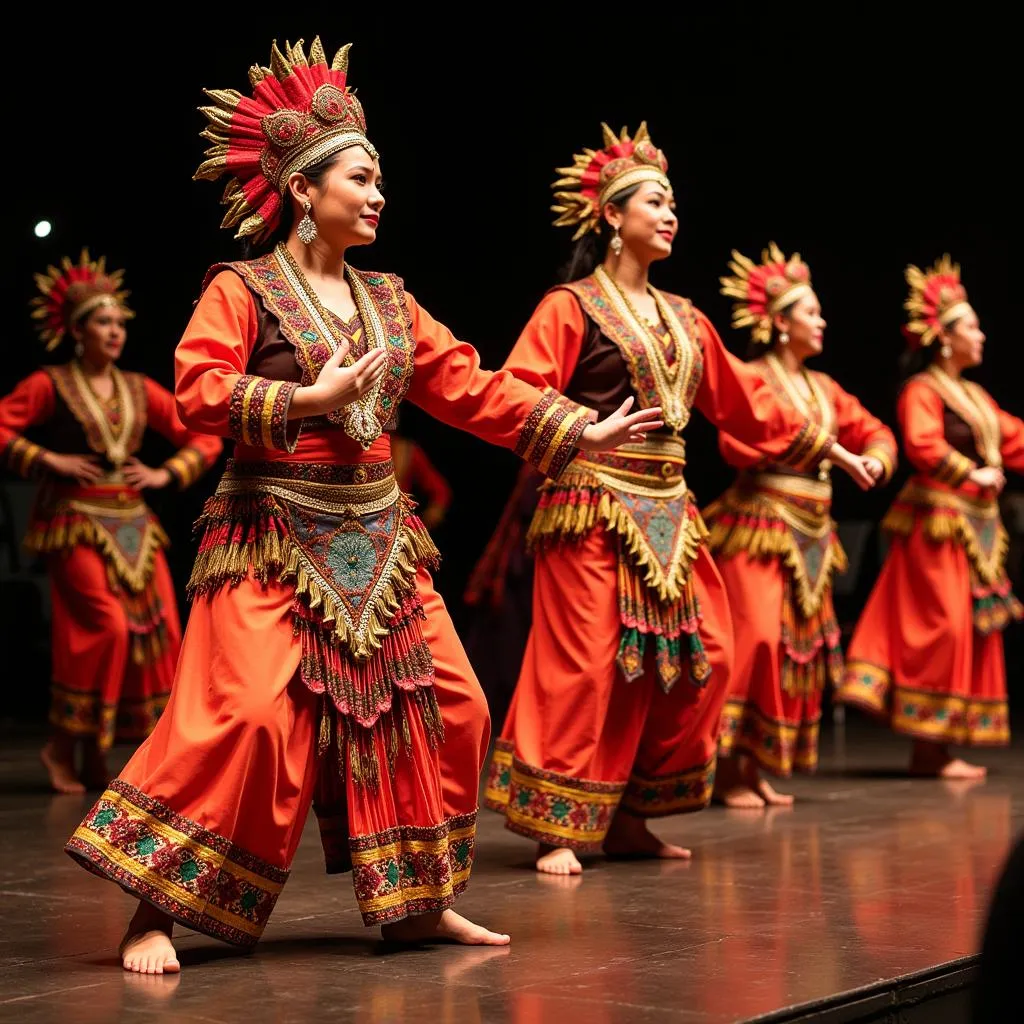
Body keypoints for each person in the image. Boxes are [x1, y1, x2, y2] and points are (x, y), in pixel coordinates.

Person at [63, 38, 661, 974]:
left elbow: (470, 384)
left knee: (457, 710)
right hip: (270, 537)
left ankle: (417, 909)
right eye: (360, 176)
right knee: (247, 719)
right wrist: (301, 402)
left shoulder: (391, 299)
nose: (379, 193)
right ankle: (156, 910)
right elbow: (193, 391)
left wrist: (573, 431)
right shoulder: (243, 288)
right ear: (304, 189)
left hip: (381, 541)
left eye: (380, 177)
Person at [484, 124, 878, 875]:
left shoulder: (688, 319)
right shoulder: (570, 307)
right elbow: (518, 390)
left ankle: (632, 815)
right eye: (655, 202)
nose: (670, 215)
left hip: (671, 509)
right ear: (611, 216)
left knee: (704, 660)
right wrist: (582, 425)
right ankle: (559, 820)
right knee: (591, 663)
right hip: (590, 505)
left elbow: (750, 406)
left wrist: (833, 448)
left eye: (673, 204)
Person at [0, 250, 221, 794]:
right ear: (78, 331)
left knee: (162, 631)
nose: (116, 331)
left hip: (135, 524)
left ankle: (116, 755)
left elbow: (205, 434)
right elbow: (1, 428)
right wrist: (47, 460)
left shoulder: (139, 389)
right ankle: (62, 746)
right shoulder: (48, 385)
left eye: (121, 322)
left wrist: (167, 474)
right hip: (72, 519)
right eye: (103, 322)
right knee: (104, 627)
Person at [703, 244, 894, 807]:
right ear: (781, 323)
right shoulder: (750, 377)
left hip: (812, 533)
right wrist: (825, 450)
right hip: (760, 524)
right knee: (756, 640)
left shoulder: (826, 390)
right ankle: (729, 768)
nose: (822, 321)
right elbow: (736, 444)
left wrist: (877, 458)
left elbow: (875, 429)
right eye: (811, 312)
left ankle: (757, 766)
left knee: (792, 648)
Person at [838, 256, 1024, 777]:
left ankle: (939, 745)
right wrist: (973, 473)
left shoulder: (976, 396)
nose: (982, 335)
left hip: (977, 529)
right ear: (946, 337)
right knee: (940, 628)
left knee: (966, 628)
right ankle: (927, 743)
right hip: (936, 527)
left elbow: (1014, 439)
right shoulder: (924, 390)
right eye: (972, 326)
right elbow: (922, 445)